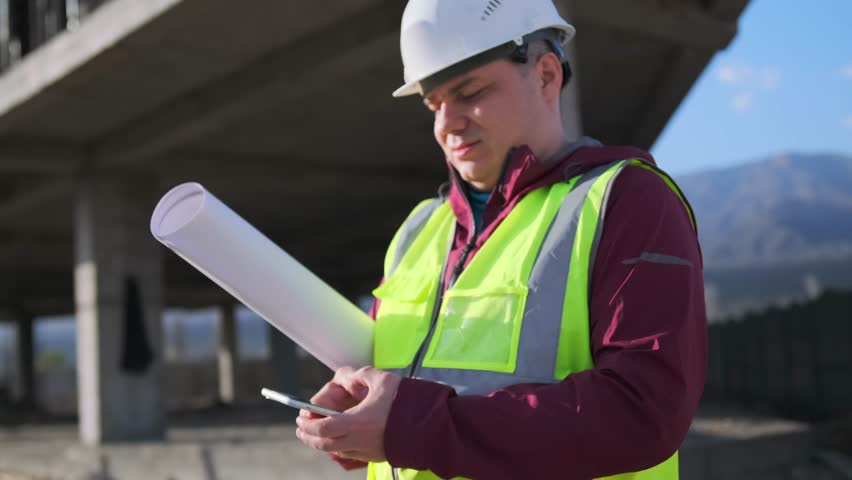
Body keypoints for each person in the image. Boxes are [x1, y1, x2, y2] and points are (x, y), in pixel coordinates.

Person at [295, 1, 706, 479]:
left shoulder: (627, 201)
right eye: (433, 105)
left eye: (469, 92)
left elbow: (643, 412)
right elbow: (389, 383)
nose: (447, 123)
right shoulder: (418, 231)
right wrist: (354, 408)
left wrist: (413, 426)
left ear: (547, 76)